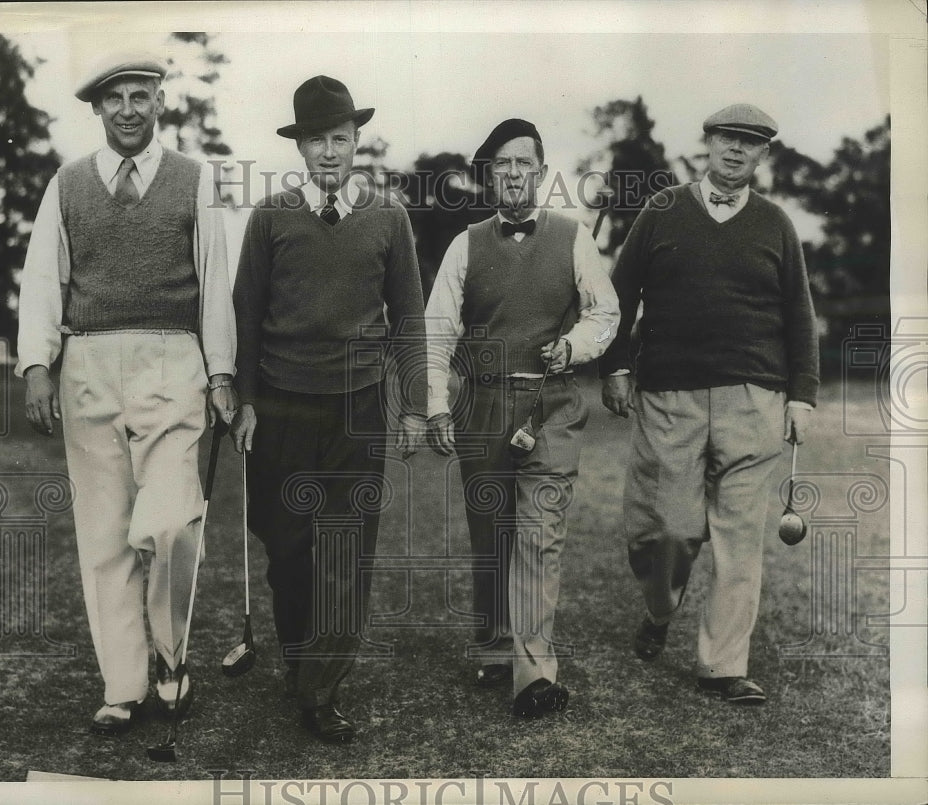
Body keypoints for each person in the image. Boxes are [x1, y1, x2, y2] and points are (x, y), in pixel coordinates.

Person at [16, 52, 237, 735]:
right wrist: (36, 366)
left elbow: (215, 282)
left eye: (141, 95)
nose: (130, 110)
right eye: (116, 100)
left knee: (170, 521)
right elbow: (43, 281)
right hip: (87, 364)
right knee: (105, 535)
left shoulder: (193, 181)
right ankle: (125, 682)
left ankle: (171, 657)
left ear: (159, 101)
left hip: (173, 362)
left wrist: (223, 370)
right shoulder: (69, 184)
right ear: (98, 109)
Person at [229, 75, 426, 743]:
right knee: (287, 550)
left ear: (356, 141)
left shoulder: (390, 217)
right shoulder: (270, 216)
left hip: (359, 409)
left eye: (339, 138)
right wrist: (247, 402)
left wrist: (414, 406)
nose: (329, 152)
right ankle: (298, 655)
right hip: (282, 405)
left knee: (345, 551)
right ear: (300, 147)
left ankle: (321, 688)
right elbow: (246, 316)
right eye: (316, 140)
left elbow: (410, 317)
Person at [600, 104, 819, 704]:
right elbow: (619, 296)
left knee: (739, 537)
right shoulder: (662, 210)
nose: (735, 150)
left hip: (756, 397)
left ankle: (723, 666)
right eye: (727, 138)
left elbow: (799, 316)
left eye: (749, 143)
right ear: (709, 142)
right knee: (667, 527)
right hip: (671, 392)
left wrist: (801, 396)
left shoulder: (776, 224)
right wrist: (616, 365)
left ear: (762, 155)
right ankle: (659, 607)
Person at [424, 119, 619, 718]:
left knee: (538, 537)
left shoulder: (572, 237)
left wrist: (574, 347)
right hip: (482, 406)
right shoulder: (466, 244)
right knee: (493, 534)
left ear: (540, 171)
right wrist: (434, 403)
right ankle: (491, 642)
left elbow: (604, 313)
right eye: (502, 165)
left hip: (552, 405)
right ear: (490, 175)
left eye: (524, 164)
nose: (513, 174)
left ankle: (533, 673)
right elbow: (435, 332)